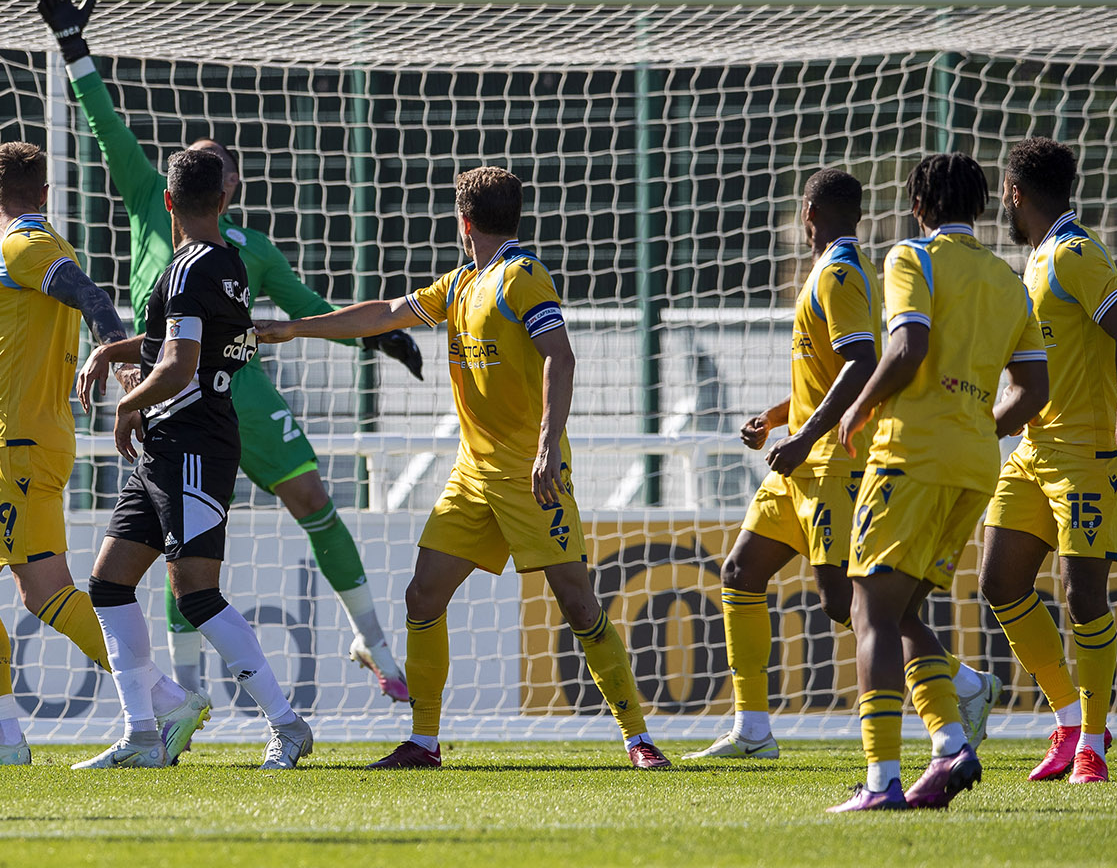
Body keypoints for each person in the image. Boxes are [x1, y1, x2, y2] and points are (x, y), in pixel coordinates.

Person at [37, 0, 421, 701]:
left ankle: (372, 641)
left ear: (229, 187)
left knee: (311, 499)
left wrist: (380, 339)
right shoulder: (153, 202)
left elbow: (308, 308)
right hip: (172, 395)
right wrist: (72, 45)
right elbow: (105, 123)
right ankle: (188, 695)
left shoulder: (254, 247)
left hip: (239, 390)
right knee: (180, 554)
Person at [256, 166, 669, 771]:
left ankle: (637, 737)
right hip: (472, 477)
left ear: (464, 221)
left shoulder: (522, 279)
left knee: (579, 606)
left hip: (532, 473)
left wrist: (548, 446)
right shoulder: (463, 283)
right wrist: (295, 327)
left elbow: (561, 355)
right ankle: (424, 742)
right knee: (423, 595)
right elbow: (385, 313)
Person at [0, 140, 209, 766]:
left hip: (20, 445)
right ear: (45, 191)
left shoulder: (25, 244)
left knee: (44, 592)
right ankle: (3, 735)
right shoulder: (34, 246)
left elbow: (93, 299)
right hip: (2, 443)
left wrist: (125, 372)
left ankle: (166, 699)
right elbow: (28, 349)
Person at [73, 147, 315, 769]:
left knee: (197, 595)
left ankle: (286, 725)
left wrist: (127, 407)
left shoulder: (187, 268)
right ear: (224, 200)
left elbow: (179, 364)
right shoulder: (229, 262)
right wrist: (114, 351)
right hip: (168, 444)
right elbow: (177, 342)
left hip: (192, 444)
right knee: (108, 584)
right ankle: (144, 735)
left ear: (169, 203)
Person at [829, 152, 1048, 812]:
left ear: (917, 206)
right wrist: (980, 426)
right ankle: (951, 742)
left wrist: (861, 406)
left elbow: (908, 348)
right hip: (975, 465)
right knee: (902, 613)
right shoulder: (1009, 282)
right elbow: (1034, 388)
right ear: (980, 208)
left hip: (909, 456)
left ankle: (880, 781)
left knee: (868, 610)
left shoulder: (909, 259)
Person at [979, 137, 1117, 784]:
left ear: (1017, 192)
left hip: (1088, 456)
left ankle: (1095, 747)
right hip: (1035, 451)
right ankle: (1069, 721)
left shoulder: (1078, 253)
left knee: (1083, 596)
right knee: (999, 582)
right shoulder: (1038, 259)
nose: (1001, 201)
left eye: (1003, 190)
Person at [689, 169, 874, 760]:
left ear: (808, 211)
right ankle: (753, 729)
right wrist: (774, 420)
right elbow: (821, 378)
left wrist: (801, 438)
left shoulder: (841, 272)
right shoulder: (825, 273)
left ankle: (961, 681)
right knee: (741, 573)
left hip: (833, 464)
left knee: (844, 603)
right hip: (800, 463)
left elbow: (861, 364)